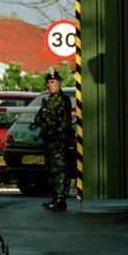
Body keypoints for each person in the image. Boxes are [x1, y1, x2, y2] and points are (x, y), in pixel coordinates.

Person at [36, 68, 73, 211]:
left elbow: (61, 122)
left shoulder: (63, 100)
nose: (50, 85)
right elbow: (38, 118)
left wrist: (48, 120)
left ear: (59, 83)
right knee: (51, 169)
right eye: (48, 82)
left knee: (60, 170)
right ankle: (55, 197)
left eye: (52, 82)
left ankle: (60, 199)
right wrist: (46, 118)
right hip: (49, 140)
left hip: (58, 140)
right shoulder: (49, 100)